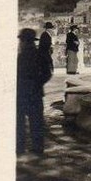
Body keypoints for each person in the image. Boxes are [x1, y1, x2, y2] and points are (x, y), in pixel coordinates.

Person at [17, 28, 52, 156]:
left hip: (21, 93)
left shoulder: (19, 57)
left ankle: (19, 148)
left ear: (25, 41)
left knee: (19, 122)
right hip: (36, 93)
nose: (21, 43)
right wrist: (38, 83)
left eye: (21, 41)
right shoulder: (40, 55)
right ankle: (38, 148)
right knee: (36, 122)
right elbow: (47, 74)